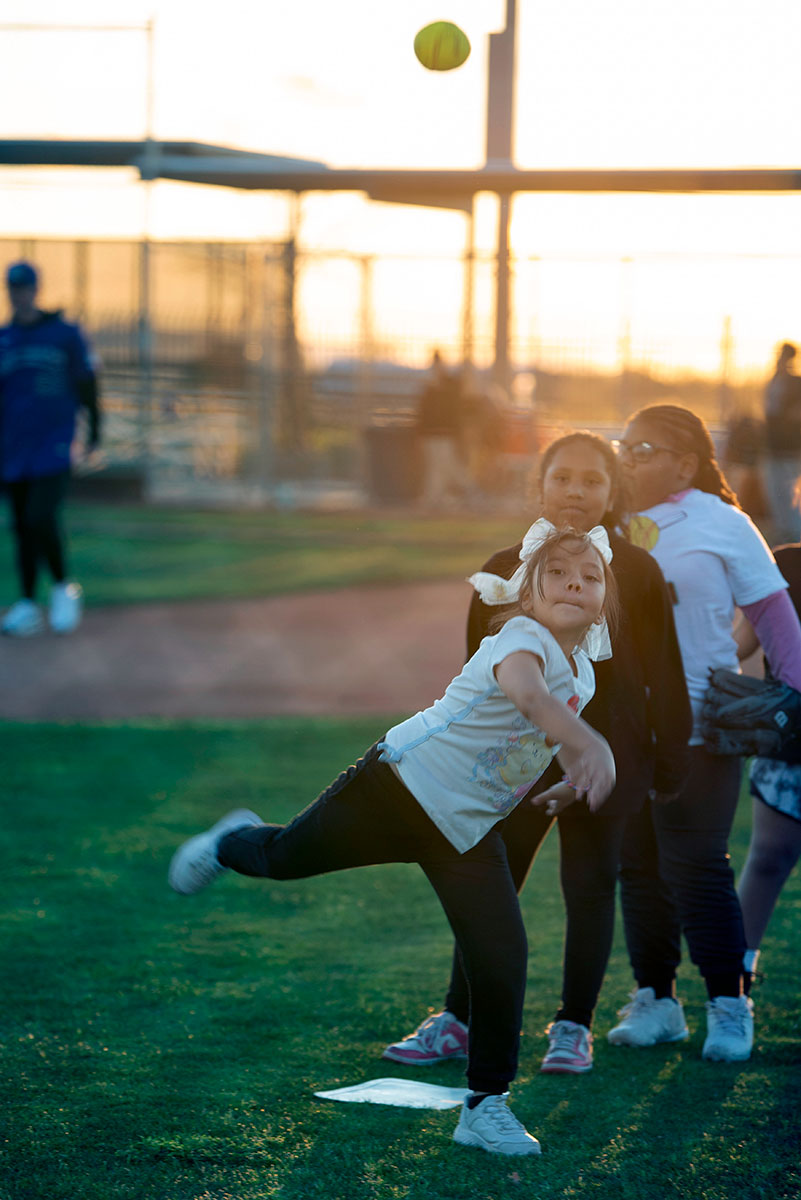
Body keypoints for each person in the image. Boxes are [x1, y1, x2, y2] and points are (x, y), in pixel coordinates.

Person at [168, 525, 618, 1158]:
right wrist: (593, 746)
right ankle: (230, 841)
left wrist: (573, 778)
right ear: (528, 594)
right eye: (559, 574)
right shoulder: (521, 637)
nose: (576, 584)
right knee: (283, 858)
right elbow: (528, 696)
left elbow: (542, 733)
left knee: (503, 955)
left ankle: (485, 1106)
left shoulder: (583, 676)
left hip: (464, 832)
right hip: (397, 790)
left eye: (591, 577)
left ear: (604, 599)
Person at [382, 431, 691, 1077]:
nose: (576, 491)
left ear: (612, 490)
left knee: (590, 887)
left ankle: (573, 1027)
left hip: (606, 756)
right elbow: (476, 676)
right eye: (562, 477)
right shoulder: (504, 567)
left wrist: (667, 760)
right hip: (515, 763)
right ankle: (458, 1019)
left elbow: (663, 671)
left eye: (592, 480)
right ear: (541, 484)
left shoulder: (636, 569)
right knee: (487, 890)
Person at [609, 403, 801, 1062]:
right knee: (638, 865)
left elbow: (773, 616)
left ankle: (728, 1003)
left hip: (701, 722)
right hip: (625, 727)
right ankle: (657, 1001)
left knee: (695, 865)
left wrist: (796, 700)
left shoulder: (723, 521)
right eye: (624, 446)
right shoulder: (610, 522)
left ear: (685, 464)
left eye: (644, 449)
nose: (628, 458)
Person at [0, 260, 101, 636]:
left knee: (40, 516)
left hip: (54, 444)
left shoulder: (64, 334)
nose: (19, 294)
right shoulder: (5, 339)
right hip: (12, 449)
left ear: (35, 290)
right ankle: (27, 603)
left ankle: (63, 587)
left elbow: (88, 384)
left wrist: (95, 432)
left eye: (24, 287)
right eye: (13, 288)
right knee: (21, 524)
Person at [733, 506, 801, 988]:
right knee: (768, 859)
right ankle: (734, 987)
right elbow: (739, 645)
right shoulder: (785, 564)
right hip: (788, 739)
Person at [416, 350, 470, 509]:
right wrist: (420, 434)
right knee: (437, 467)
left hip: (446, 434)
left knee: (446, 466)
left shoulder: (450, 386)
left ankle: (444, 496)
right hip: (432, 434)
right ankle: (437, 497)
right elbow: (423, 413)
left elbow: (455, 408)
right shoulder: (429, 388)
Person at [762, 342, 801, 541]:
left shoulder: (796, 382)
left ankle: (795, 534)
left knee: (791, 493)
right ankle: (784, 532)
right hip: (773, 446)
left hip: (791, 448)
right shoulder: (775, 380)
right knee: (775, 492)